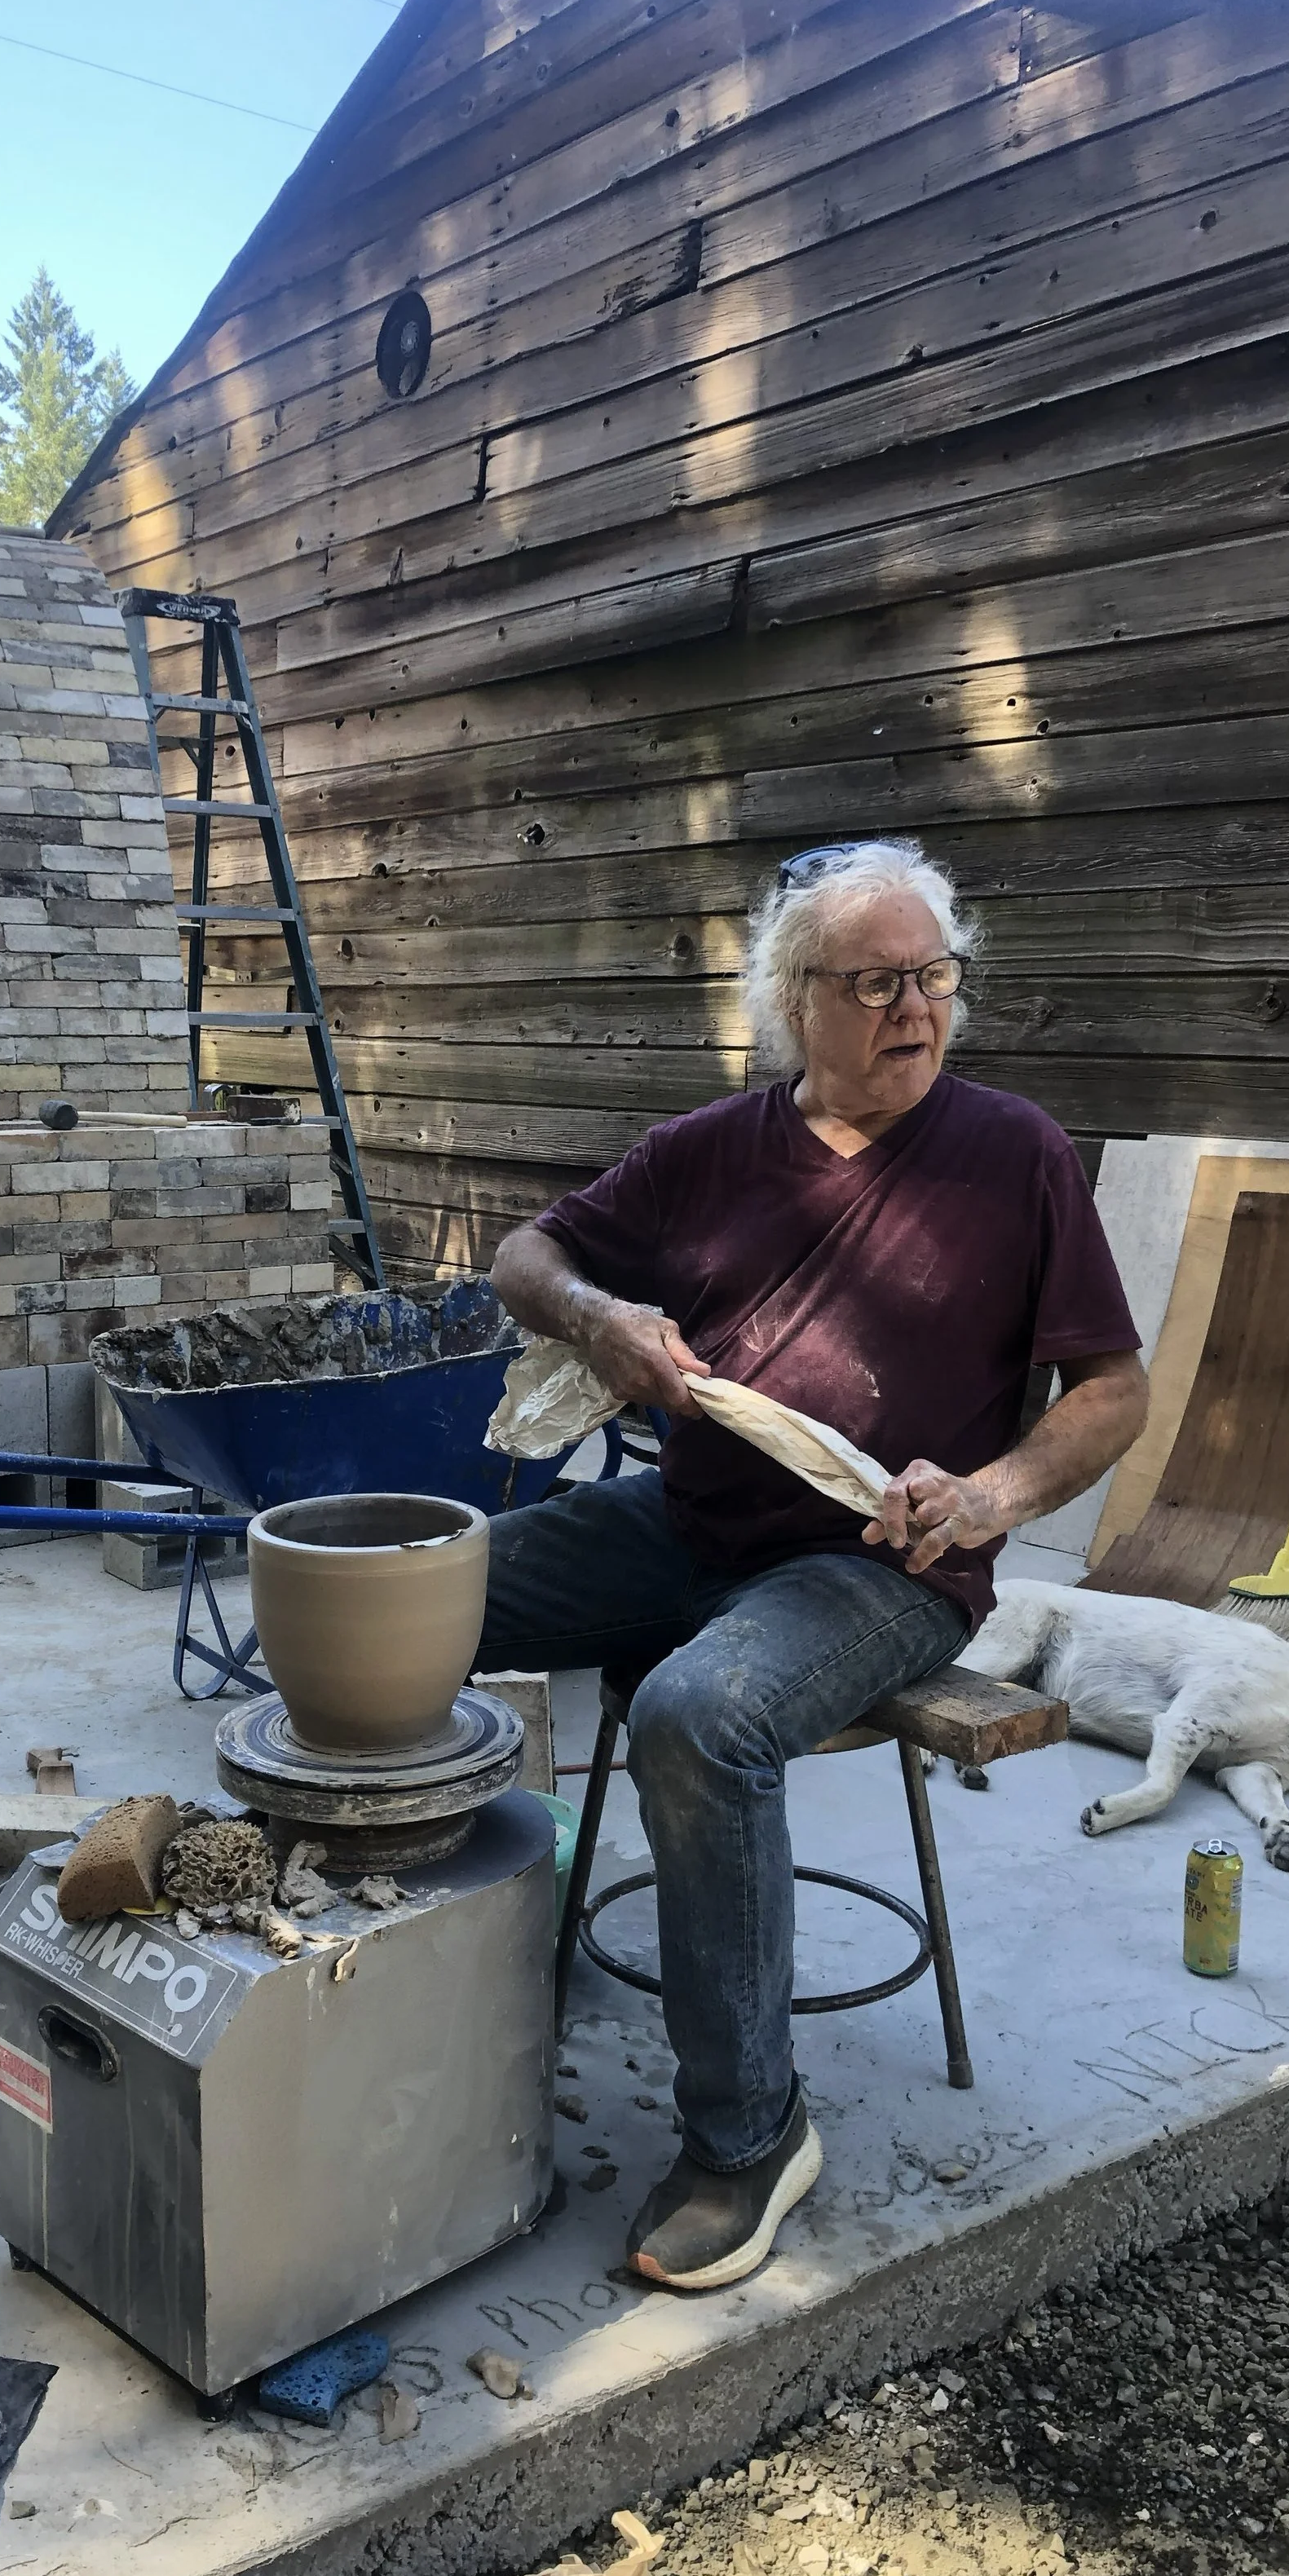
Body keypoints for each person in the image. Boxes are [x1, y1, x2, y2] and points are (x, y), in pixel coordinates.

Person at [476, 839, 1149, 2290]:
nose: (915, 1010)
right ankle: (442, 1967)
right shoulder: (711, 1150)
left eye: (935, 979)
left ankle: (748, 2136)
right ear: (797, 1001)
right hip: (690, 1518)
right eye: (877, 984)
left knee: (694, 1716)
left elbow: (1111, 1391)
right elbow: (525, 1259)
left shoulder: (1011, 1151)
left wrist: (988, 1493)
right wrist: (599, 1321)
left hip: (883, 1564)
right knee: (414, 1593)